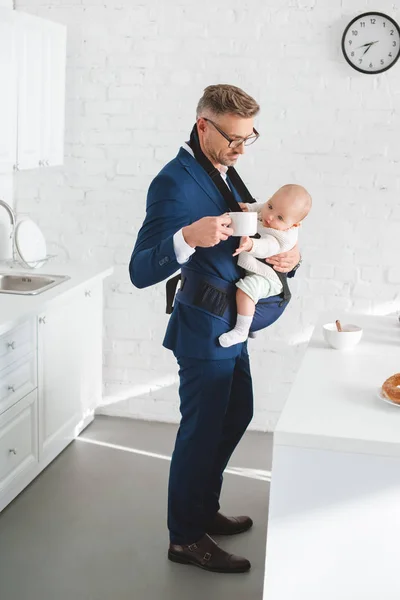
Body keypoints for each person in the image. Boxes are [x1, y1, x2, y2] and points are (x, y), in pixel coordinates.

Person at [129, 84, 301, 574]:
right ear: (203, 125)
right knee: (202, 432)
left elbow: (259, 227)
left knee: (237, 413)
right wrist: (186, 237)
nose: (242, 148)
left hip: (231, 325)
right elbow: (140, 270)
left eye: (250, 138)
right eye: (233, 137)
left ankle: (202, 509)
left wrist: (289, 254)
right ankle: (184, 538)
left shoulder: (224, 166)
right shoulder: (174, 183)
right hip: (205, 330)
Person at [219, 184, 311, 347]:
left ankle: (241, 329)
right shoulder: (272, 211)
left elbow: (268, 246)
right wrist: (246, 207)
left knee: (246, 290)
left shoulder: (283, 237)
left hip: (268, 277)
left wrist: (251, 245)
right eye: (270, 206)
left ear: (294, 225)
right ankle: (247, 316)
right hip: (256, 269)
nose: (269, 217)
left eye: (280, 218)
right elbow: (259, 208)